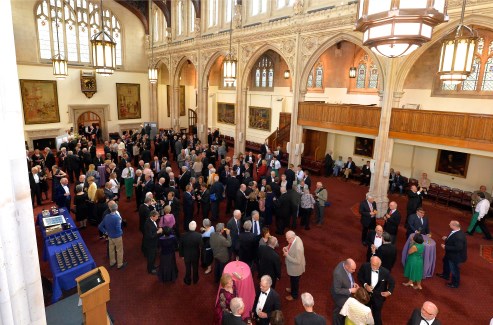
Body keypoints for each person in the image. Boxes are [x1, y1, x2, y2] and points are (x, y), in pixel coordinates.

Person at [357, 256, 395, 325]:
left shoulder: (385, 272)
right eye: (371, 264)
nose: (372, 266)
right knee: (364, 313)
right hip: (366, 296)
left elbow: (392, 282)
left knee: (377, 316)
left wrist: (389, 292)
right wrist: (365, 285)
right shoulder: (365, 266)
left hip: (378, 298)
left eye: (375, 265)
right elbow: (359, 276)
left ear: (379, 265)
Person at [436, 220, 467, 288]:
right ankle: (445, 275)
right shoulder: (456, 232)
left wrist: (445, 247)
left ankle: (455, 284)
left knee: (454, 270)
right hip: (450, 254)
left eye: (450, 224)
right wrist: (447, 239)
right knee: (446, 262)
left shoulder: (459, 236)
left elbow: (458, 248)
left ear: (454, 226)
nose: (449, 224)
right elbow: (453, 240)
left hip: (455, 257)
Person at [98, 201, 127, 270]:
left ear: (110, 209)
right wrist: (121, 232)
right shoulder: (117, 218)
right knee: (119, 250)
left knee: (111, 250)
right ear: (116, 209)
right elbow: (118, 229)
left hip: (110, 236)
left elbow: (100, 226)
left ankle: (112, 262)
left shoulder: (107, 216)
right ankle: (120, 264)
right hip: (117, 237)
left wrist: (106, 232)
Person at [331, 258, 359, 325]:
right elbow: (337, 290)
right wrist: (350, 290)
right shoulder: (338, 274)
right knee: (338, 313)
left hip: (345, 290)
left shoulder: (345, 263)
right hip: (339, 296)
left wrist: (353, 283)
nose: (354, 271)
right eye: (353, 269)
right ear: (346, 266)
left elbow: (349, 276)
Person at [283, 231, 305, 301]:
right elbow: (291, 245)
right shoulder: (296, 238)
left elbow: (298, 261)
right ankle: (292, 289)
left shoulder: (298, 247)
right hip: (293, 268)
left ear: (292, 237)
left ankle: (294, 295)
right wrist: (287, 247)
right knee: (293, 280)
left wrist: (287, 255)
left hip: (296, 269)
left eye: (287, 239)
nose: (286, 240)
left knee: (295, 282)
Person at [180, 221, 203, 285]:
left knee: (187, 268)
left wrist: (181, 255)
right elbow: (201, 245)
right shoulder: (198, 235)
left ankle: (188, 280)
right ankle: (195, 279)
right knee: (195, 267)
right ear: (195, 227)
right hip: (195, 255)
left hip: (186, 255)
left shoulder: (183, 235)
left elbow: (180, 246)